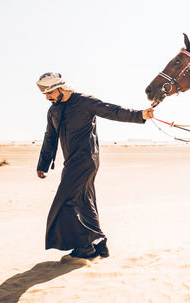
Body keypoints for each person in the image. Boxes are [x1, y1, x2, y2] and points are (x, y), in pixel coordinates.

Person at [36, 72, 154, 259]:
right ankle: (100, 244)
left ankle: (85, 247)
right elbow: (49, 137)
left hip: (87, 159)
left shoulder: (84, 102)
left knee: (65, 201)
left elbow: (112, 110)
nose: (47, 97)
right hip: (71, 162)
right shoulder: (54, 111)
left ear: (61, 87)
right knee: (84, 201)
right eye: (45, 94)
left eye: (50, 92)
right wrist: (42, 163)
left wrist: (140, 115)